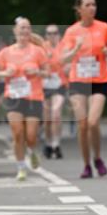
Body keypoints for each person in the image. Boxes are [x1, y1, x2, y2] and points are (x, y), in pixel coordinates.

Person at [59, 0, 107, 178]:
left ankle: (97, 157)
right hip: (78, 80)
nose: (92, 8)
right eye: (88, 5)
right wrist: (75, 48)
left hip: (99, 80)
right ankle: (87, 164)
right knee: (82, 124)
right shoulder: (72, 31)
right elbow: (62, 59)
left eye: (94, 4)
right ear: (79, 9)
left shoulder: (104, 27)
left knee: (93, 121)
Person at [0, 18, 48, 181]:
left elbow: (47, 72)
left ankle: (32, 151)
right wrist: (5, 74)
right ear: (15, 31)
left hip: (33, 97)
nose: (24, 31)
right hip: (13, 97)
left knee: (31, 136)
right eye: (22, 28)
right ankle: (21, 167)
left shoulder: (38, 51)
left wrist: (37, 71)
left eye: (28, 28)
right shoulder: (6, 52)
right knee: (17, 134)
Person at [42, 25, 68, 159]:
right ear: (46, 35)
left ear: (59, 34)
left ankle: (56, 144)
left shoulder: (63, 47)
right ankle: (47, 142)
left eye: (55, 33)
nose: (52, 35)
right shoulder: (42, 47)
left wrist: (67, 67)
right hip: (45, 85)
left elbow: (69, 63)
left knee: (56, 114)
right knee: (47, 119)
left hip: (60, 84)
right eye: (49, 33)